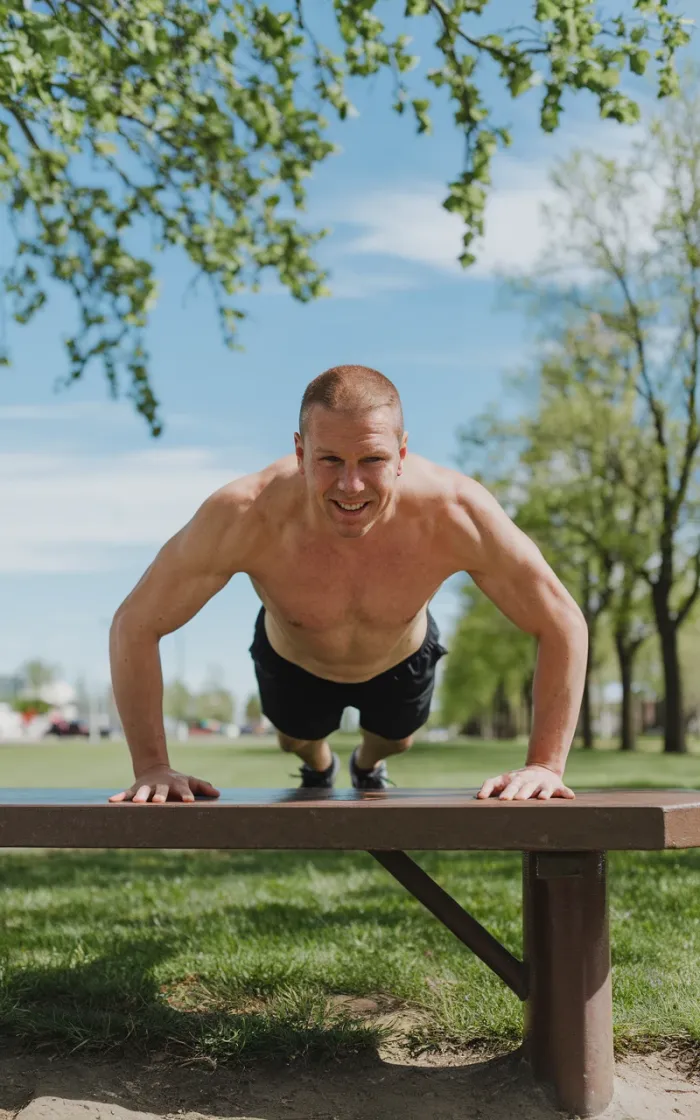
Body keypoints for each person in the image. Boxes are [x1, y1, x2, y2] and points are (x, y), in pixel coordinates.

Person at [108, 365, 586, 806]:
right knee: (296, 735)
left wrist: (545, 764)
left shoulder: (454, 512)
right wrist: (152, 766)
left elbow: (561, 619)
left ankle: (365, 764)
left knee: (395, 739)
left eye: (372, 459)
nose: (351, 485)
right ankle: (318, 763)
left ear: (401, 453)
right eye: (331, 459)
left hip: (400, 657)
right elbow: (135, 623)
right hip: (293, 660)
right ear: (301, 453)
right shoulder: (245, 514)